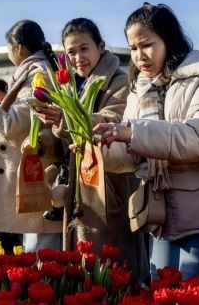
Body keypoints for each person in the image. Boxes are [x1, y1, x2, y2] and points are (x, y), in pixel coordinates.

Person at [95, 3, 199, 280]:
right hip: (160, 219)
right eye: (133, 48)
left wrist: (131, 133)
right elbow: (130, 157)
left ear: (169, 39)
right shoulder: (139, 89)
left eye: (147, 45)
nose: (139, 56)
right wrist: (99, 146)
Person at [49, 17, 147, 276]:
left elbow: (112, 120)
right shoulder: (71, 85)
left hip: (110, 182)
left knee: (112, 264)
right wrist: (57, 122)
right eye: (71, 52)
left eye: (84, 49)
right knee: (84, 264)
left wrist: (65, 117)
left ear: (101, 47)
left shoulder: (119, 80)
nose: (78, 57)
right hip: (82, 183)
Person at [0, 20, 63, 251]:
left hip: (35, 181)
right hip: (32, 177)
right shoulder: (34, 72)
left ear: (18, 48)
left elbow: (10, 125)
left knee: (39, 256)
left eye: (8, 48)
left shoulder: (38, 75)